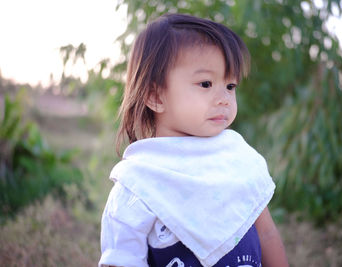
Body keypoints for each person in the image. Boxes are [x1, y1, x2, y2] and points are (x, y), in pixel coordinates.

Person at [99, 13, 288, 267]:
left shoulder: (236, 158)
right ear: (155, 97)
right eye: (206, 83)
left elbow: (266, 233)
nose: (224, 98)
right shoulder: (139, 183)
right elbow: (121, 260)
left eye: (230, 86)